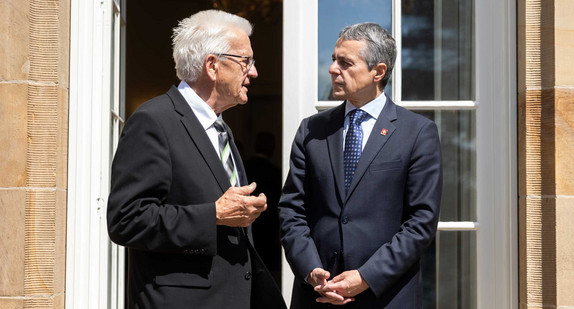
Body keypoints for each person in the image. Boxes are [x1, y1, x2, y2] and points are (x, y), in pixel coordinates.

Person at [107, 10, 286, 309]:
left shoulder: (220, 128)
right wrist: (212, 214)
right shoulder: (154, 121)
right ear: (213, 66)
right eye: (246, 61)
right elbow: (126, 220)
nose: (253, 72)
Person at [279, 22, 442, 308]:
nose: (333, 69)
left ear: (378, 72)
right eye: (333, 60)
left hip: (385, 296)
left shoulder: (417, 132)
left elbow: (421, 223)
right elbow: (292, 211)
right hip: (318, 295)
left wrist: (365, 277)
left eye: (345, 62)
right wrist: (310, 270)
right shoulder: (311, 130)